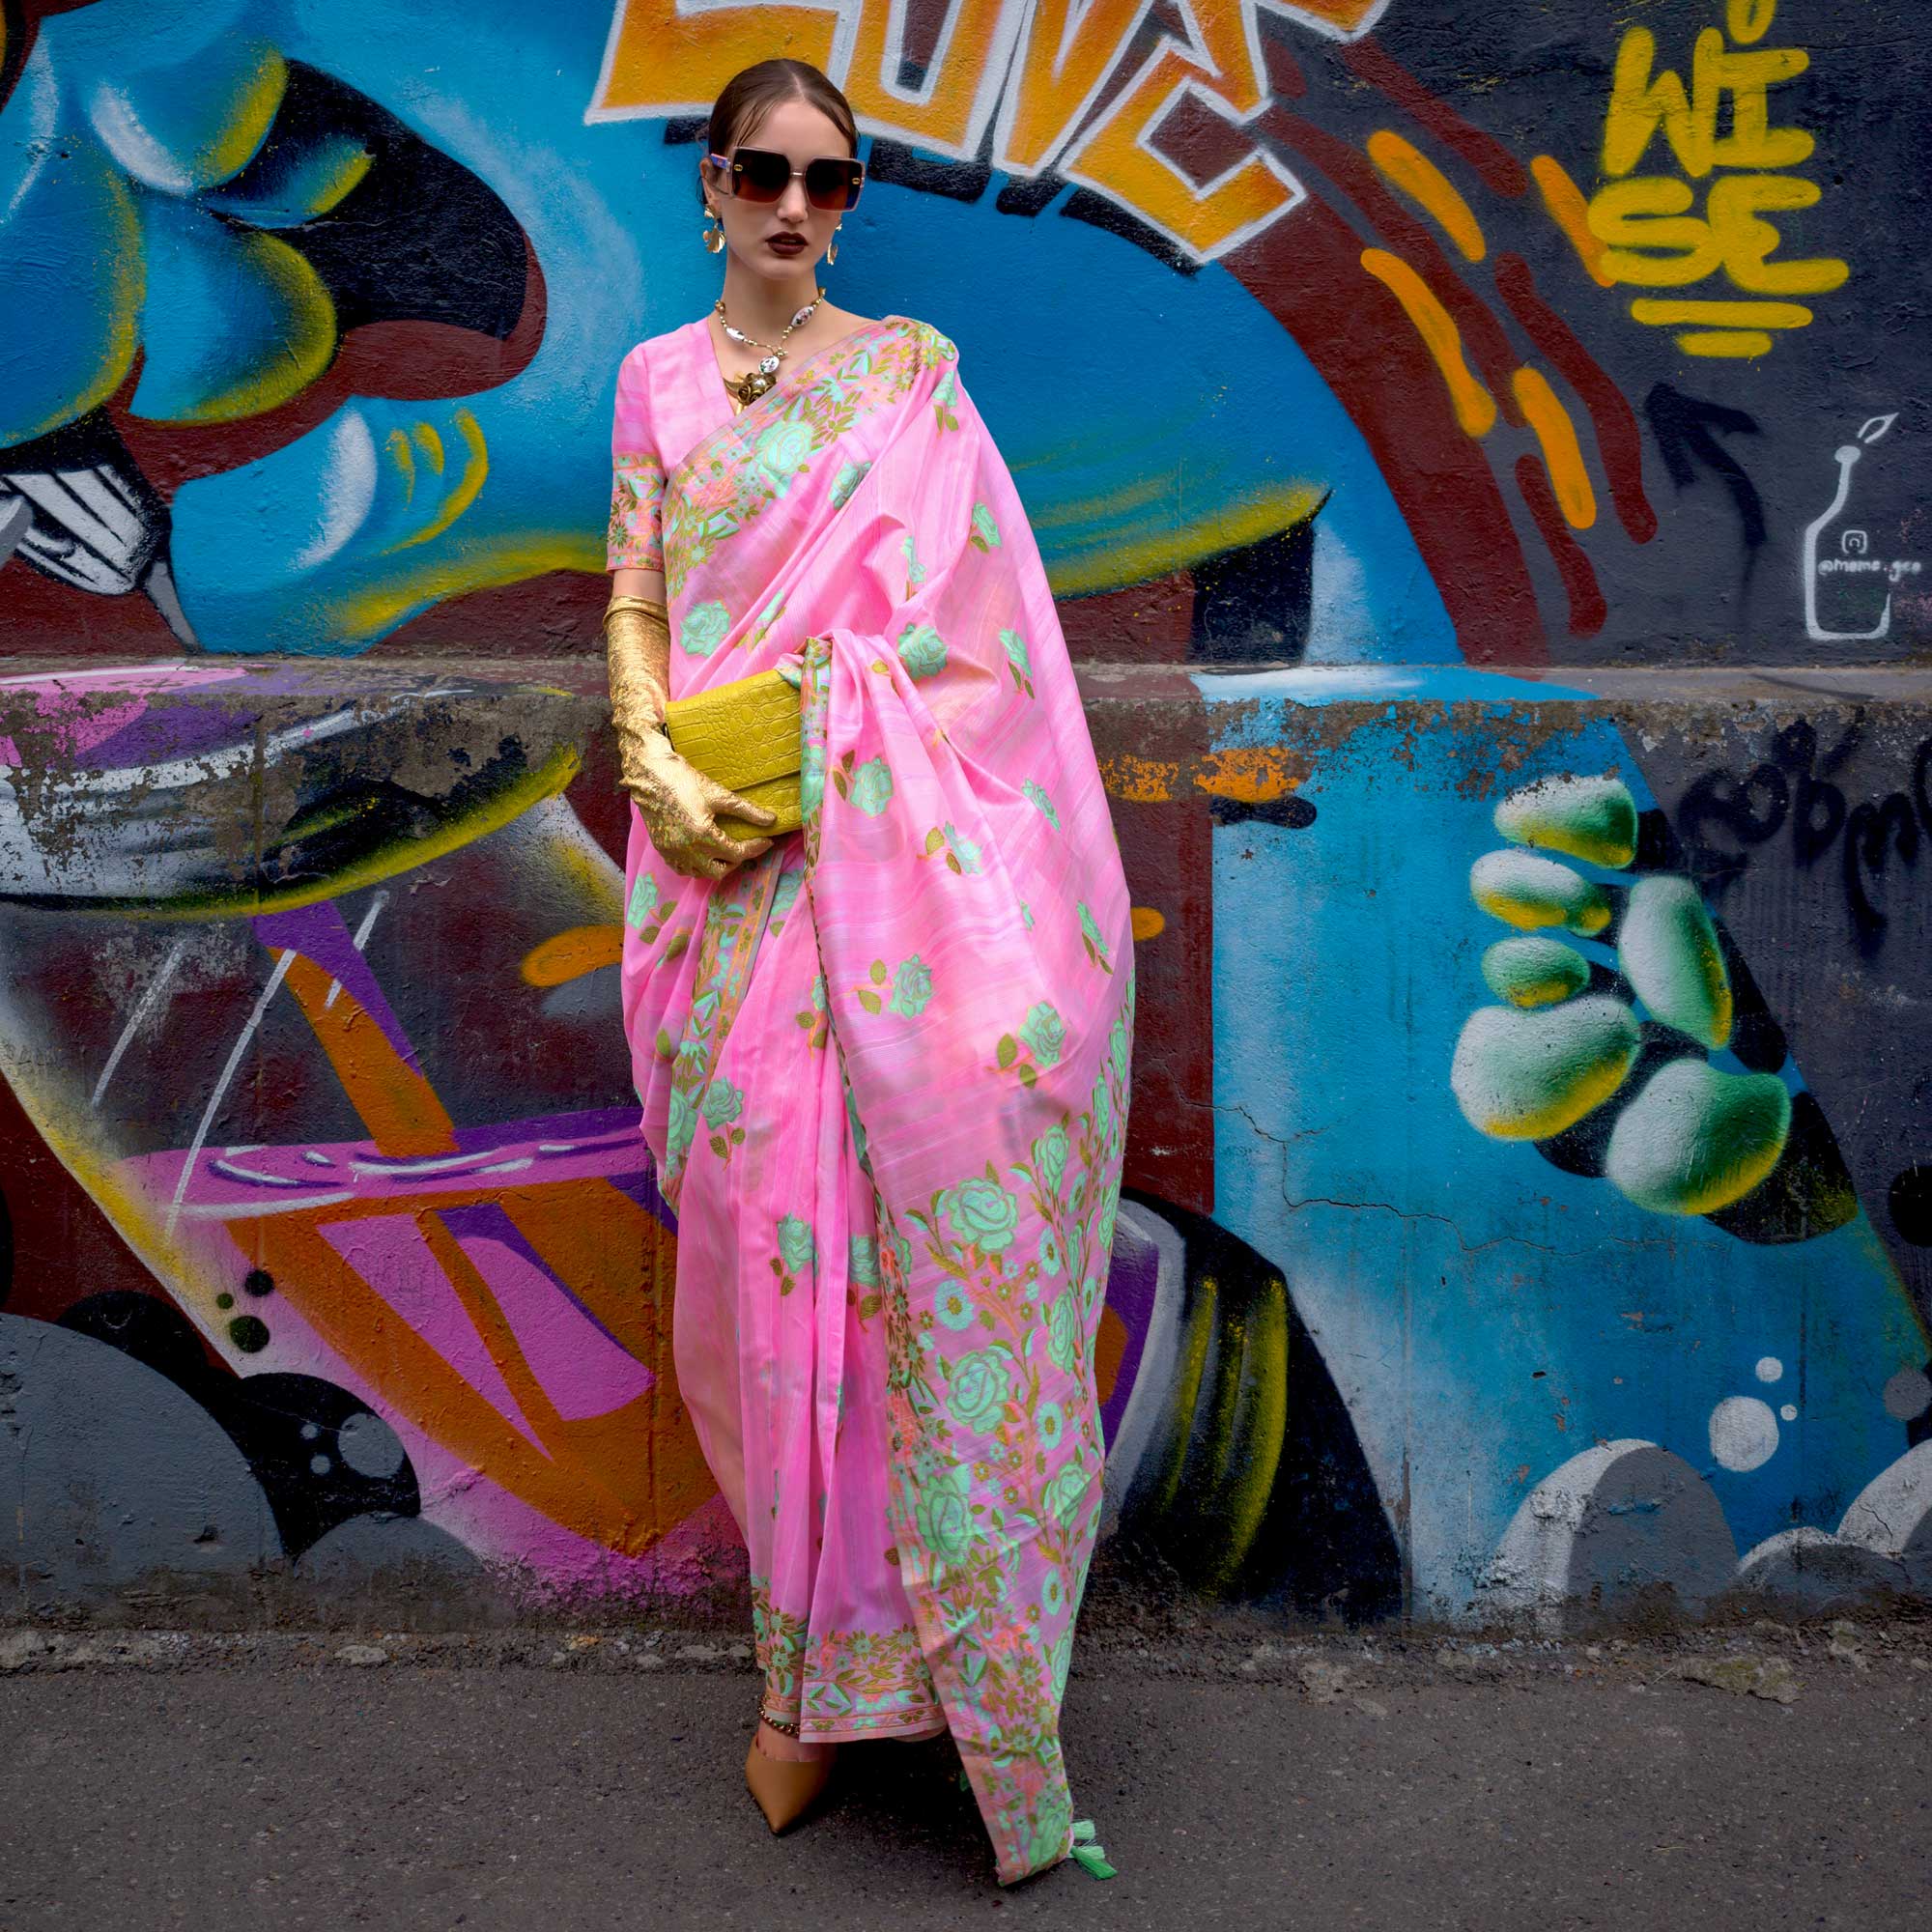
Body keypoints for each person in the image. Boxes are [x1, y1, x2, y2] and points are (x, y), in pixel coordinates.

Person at [602, 56, 1134, 1888]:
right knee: (763, 1276)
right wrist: (655, 762)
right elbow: (640, 595)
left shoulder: (914, 391)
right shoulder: (657, 385)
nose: (795, 210)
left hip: (885, 899)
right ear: (712, 188)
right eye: (764, 174)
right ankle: (796, 1671)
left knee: (896, 1284)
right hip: (717, 892)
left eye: (830, 183)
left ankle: (902, 1675)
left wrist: (837, 734)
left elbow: (982, 665)